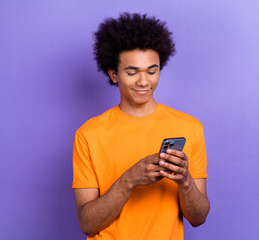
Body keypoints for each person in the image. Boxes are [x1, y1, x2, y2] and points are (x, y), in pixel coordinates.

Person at [72, 13, 210, 240]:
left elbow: (198, 218)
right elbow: (87, 224)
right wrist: (130, 179)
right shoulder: (88, 134)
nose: (144, 81)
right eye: (132, 72)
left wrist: (185, 180)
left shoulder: (190, 127)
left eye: (152, 71)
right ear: (114, 74)